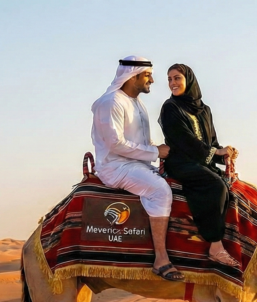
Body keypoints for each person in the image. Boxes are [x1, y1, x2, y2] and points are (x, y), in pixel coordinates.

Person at [91, 56, 184, 281]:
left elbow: (143, 141)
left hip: (137, 164)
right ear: (133, 76)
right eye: (147, 75)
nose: (152, 80)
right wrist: (155, 153)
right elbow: (115, 144)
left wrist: (164, 150)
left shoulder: (136, 104)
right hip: (116, 167)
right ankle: (161, 259)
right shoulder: (111, 102)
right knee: (160, 191)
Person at [158, 64, 239, 266]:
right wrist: (214, 153)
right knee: (216, 186)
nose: (172, 83)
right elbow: (184, 140)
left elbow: (211, 143)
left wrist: (224, 154)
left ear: (188, 80)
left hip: (200, 161)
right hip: (180, 161)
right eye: (169, 79)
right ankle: (215, 246)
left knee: (230, 186)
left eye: (177, 78)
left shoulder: (205, 110)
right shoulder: (170, 108)